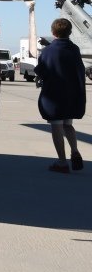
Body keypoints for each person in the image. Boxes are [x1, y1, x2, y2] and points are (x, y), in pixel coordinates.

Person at [35, 18, 86, 173]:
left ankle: (62, 162)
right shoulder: (74, 49)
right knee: (68, 125)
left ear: (53, 32)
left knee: (56, 127)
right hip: (71, 95)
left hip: (54, 95)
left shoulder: (47, 51)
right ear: (70, 32)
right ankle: (74, 151)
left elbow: (42, 70)